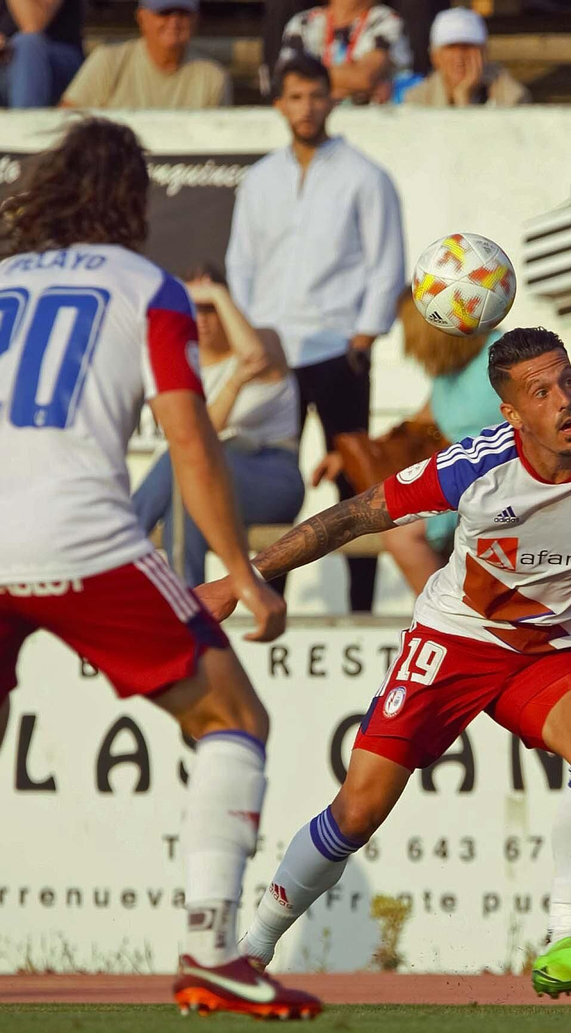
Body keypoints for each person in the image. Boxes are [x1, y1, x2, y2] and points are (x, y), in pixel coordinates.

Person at [0, 119, 314, 1021]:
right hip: (84, 538)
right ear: (130, 200)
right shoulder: (149, 288)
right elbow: (188, 435)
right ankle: (213, 950)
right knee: (233, 715)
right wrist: (241, 572)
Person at [195, 326, 571, 996]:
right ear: (512, 414)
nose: (565, 402)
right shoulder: (477, 465)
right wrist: (241, 579)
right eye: (541, 392)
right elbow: (356, 515)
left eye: (568, 380)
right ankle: (252, 948)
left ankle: (561, 942)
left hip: (548, 652)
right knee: (358, 810)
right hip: (456, 639)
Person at [227, 54, 405, 614]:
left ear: (331, 99)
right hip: (276, 356)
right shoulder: (259, 180)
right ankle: (265, 599)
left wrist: (363, 338)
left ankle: (360, 609)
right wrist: (254, 342)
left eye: (315, 95)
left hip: (339, 352)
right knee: (278, 480)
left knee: (355, 485)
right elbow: (243, 266)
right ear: (279, 103)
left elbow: (387, 263)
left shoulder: (365, 175)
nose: (306, 107)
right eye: (295, 96)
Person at [314, 294, 505, 595]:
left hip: (496, 484)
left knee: (403, 535)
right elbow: (418, 426)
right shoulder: (451, 370)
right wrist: (349, 455)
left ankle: (442, 622)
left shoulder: (500, 356)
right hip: (459, 485)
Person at [132, 266, 303, 588]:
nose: (204, 318)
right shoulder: (181, 359)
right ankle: (194, 604)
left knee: (186, 460)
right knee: (188, 485)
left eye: (211, 307)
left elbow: (253, 358)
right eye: (194, 307)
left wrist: (217, 293)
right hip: (209, 474)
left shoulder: (265, 339)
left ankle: (119, 547)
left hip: (272, 476)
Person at [58, 0, 229, 109]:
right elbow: (66, 121)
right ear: (142, 18)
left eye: (183, 13)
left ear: (196, 19)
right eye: (164, 12)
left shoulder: (213, 77)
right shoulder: (107, 61)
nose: (174, 21)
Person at [276, 0, 412, 104]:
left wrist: (312, 82)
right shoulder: (302, 22)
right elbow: (291, 82)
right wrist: (354, 85)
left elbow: (363, 78)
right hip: (315, 120)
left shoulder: (387, 20)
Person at [401, 7, 529, 106]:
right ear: (435, 56)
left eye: (467, 47)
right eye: (451, 48)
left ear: (484, 53)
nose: (459, 56)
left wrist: (463, 98)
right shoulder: (417, 100)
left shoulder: (512, 96)